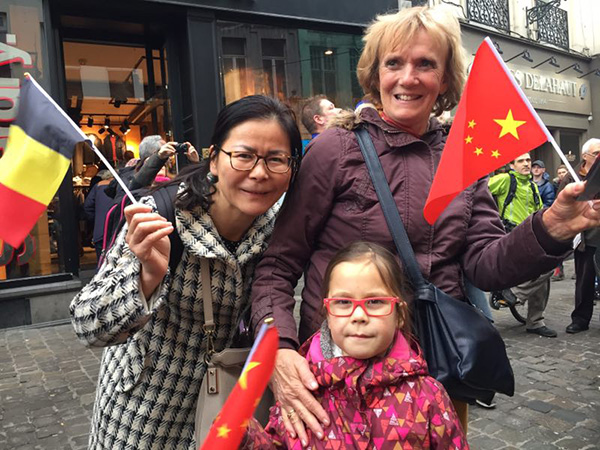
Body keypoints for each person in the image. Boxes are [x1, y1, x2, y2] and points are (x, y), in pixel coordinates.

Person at [248, 5, 600, 444]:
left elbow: (486, 266)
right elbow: (277, 267)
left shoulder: (462, 157)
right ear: (375, 74)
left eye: (425, 64)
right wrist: (278, 350)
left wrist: (550, 226)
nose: (407, 77)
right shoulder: (335, 149)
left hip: (431, 378)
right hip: (333, 381)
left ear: (446, 80)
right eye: (393, 63)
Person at [70, 95, 302, 450]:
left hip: (228, 410)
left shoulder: (280, 229)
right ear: (214, 160)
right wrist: (147, 278)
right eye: (243, 156)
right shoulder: (160, 216)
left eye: (275, 159)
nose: (259, 172)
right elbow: (87, 324)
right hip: (144, 414)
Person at [243, 242, 468, 449]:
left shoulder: (427, 395)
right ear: (327, 314)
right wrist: (246, 439)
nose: (358, 315)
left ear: (399, 314)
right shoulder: (301, 389)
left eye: (375, 302)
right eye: (343, 302)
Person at [488, 153, 557, 337]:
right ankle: (513, 293)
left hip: (531, 235)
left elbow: (540, 212)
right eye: (521, 161)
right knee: (544, 268)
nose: (526, 164)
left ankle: (534, 320)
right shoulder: (504, 180)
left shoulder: (533, 186)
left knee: (546, 270)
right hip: (511, 235)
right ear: (512, 165)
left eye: (528, 160)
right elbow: (478, 191)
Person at [559, 138, 600, 334]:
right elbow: (561, 207)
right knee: (584, 280)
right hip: (585, 238)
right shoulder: (571, 177)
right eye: (597, 154)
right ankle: (580, 319)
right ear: (585, 156)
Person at [83, 169, 115, 261]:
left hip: (100, 230)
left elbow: (87, 206)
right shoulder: (121, 187)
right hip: (116, 229)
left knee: (101, 260)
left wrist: (96, 220)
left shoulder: (97, 187)